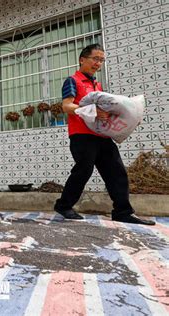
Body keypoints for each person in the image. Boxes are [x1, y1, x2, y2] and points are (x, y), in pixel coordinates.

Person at [53, 44, 154, 225]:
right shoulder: (72, 81)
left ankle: (123, 212)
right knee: (84, 170)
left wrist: (128, 118)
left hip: (102, 135)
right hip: (82, 134)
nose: (98, 64)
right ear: (82, 59)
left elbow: (106, 109)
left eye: (101, 60)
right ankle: (64, 205)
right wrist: (91, 110)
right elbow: (66, 106)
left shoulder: (97, 85)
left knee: (116, 171)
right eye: (95, 59)